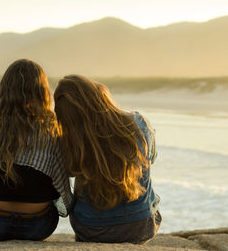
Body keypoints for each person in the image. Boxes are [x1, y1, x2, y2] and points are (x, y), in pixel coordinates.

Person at [0, 59, 73, 241]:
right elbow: (60, 184)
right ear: (42, 90)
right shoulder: (52, 126)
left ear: (4, 88)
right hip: (37, 227)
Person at [53, 75, 161, 244]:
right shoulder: (139, 123)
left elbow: (66, 174)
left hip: (91, 228)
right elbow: (151, 158)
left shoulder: (70, 140)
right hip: (140, 226)